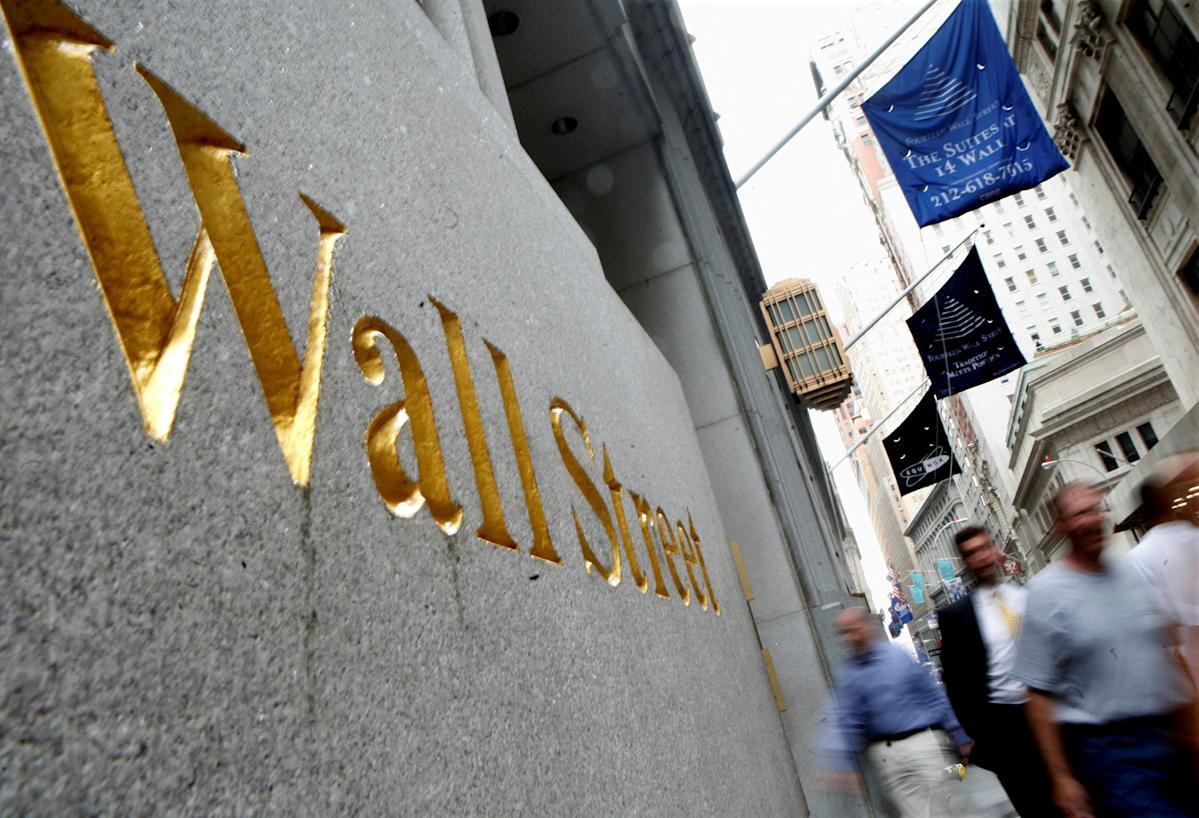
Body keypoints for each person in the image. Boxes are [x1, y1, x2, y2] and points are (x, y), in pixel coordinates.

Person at [1012, 482, 1195, 818]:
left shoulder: (1134, 573)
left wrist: (1190, 721)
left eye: (1097, 510)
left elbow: (1169, 650)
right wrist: (1061, 777)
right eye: (1081, 513)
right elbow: (1037, 694)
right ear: (1061, 526)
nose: (1093, 519)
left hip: (1170, 735)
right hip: (1111, 752)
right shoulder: (1045, 593)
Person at [938, 525, 1059, 817]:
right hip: (1007, 728)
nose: (981, 557)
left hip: (1051, 712)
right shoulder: (955, 617)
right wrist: (983, 736)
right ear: (964, 561)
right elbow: (956, 683)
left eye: (984, 548)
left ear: (994, 550)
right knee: (1036, 807)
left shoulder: (1026, 595)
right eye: (972, 553)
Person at [820, 607, 972, 818]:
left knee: (950, 804)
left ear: (867, 626)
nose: (851, 636)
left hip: (923, 743)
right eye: (845, 632)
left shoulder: (897, 656)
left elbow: (933, 695)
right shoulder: (849, 675)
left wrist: (959, 734)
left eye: (854, 628)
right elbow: (847, 721)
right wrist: (843, 765)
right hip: (887, 756)